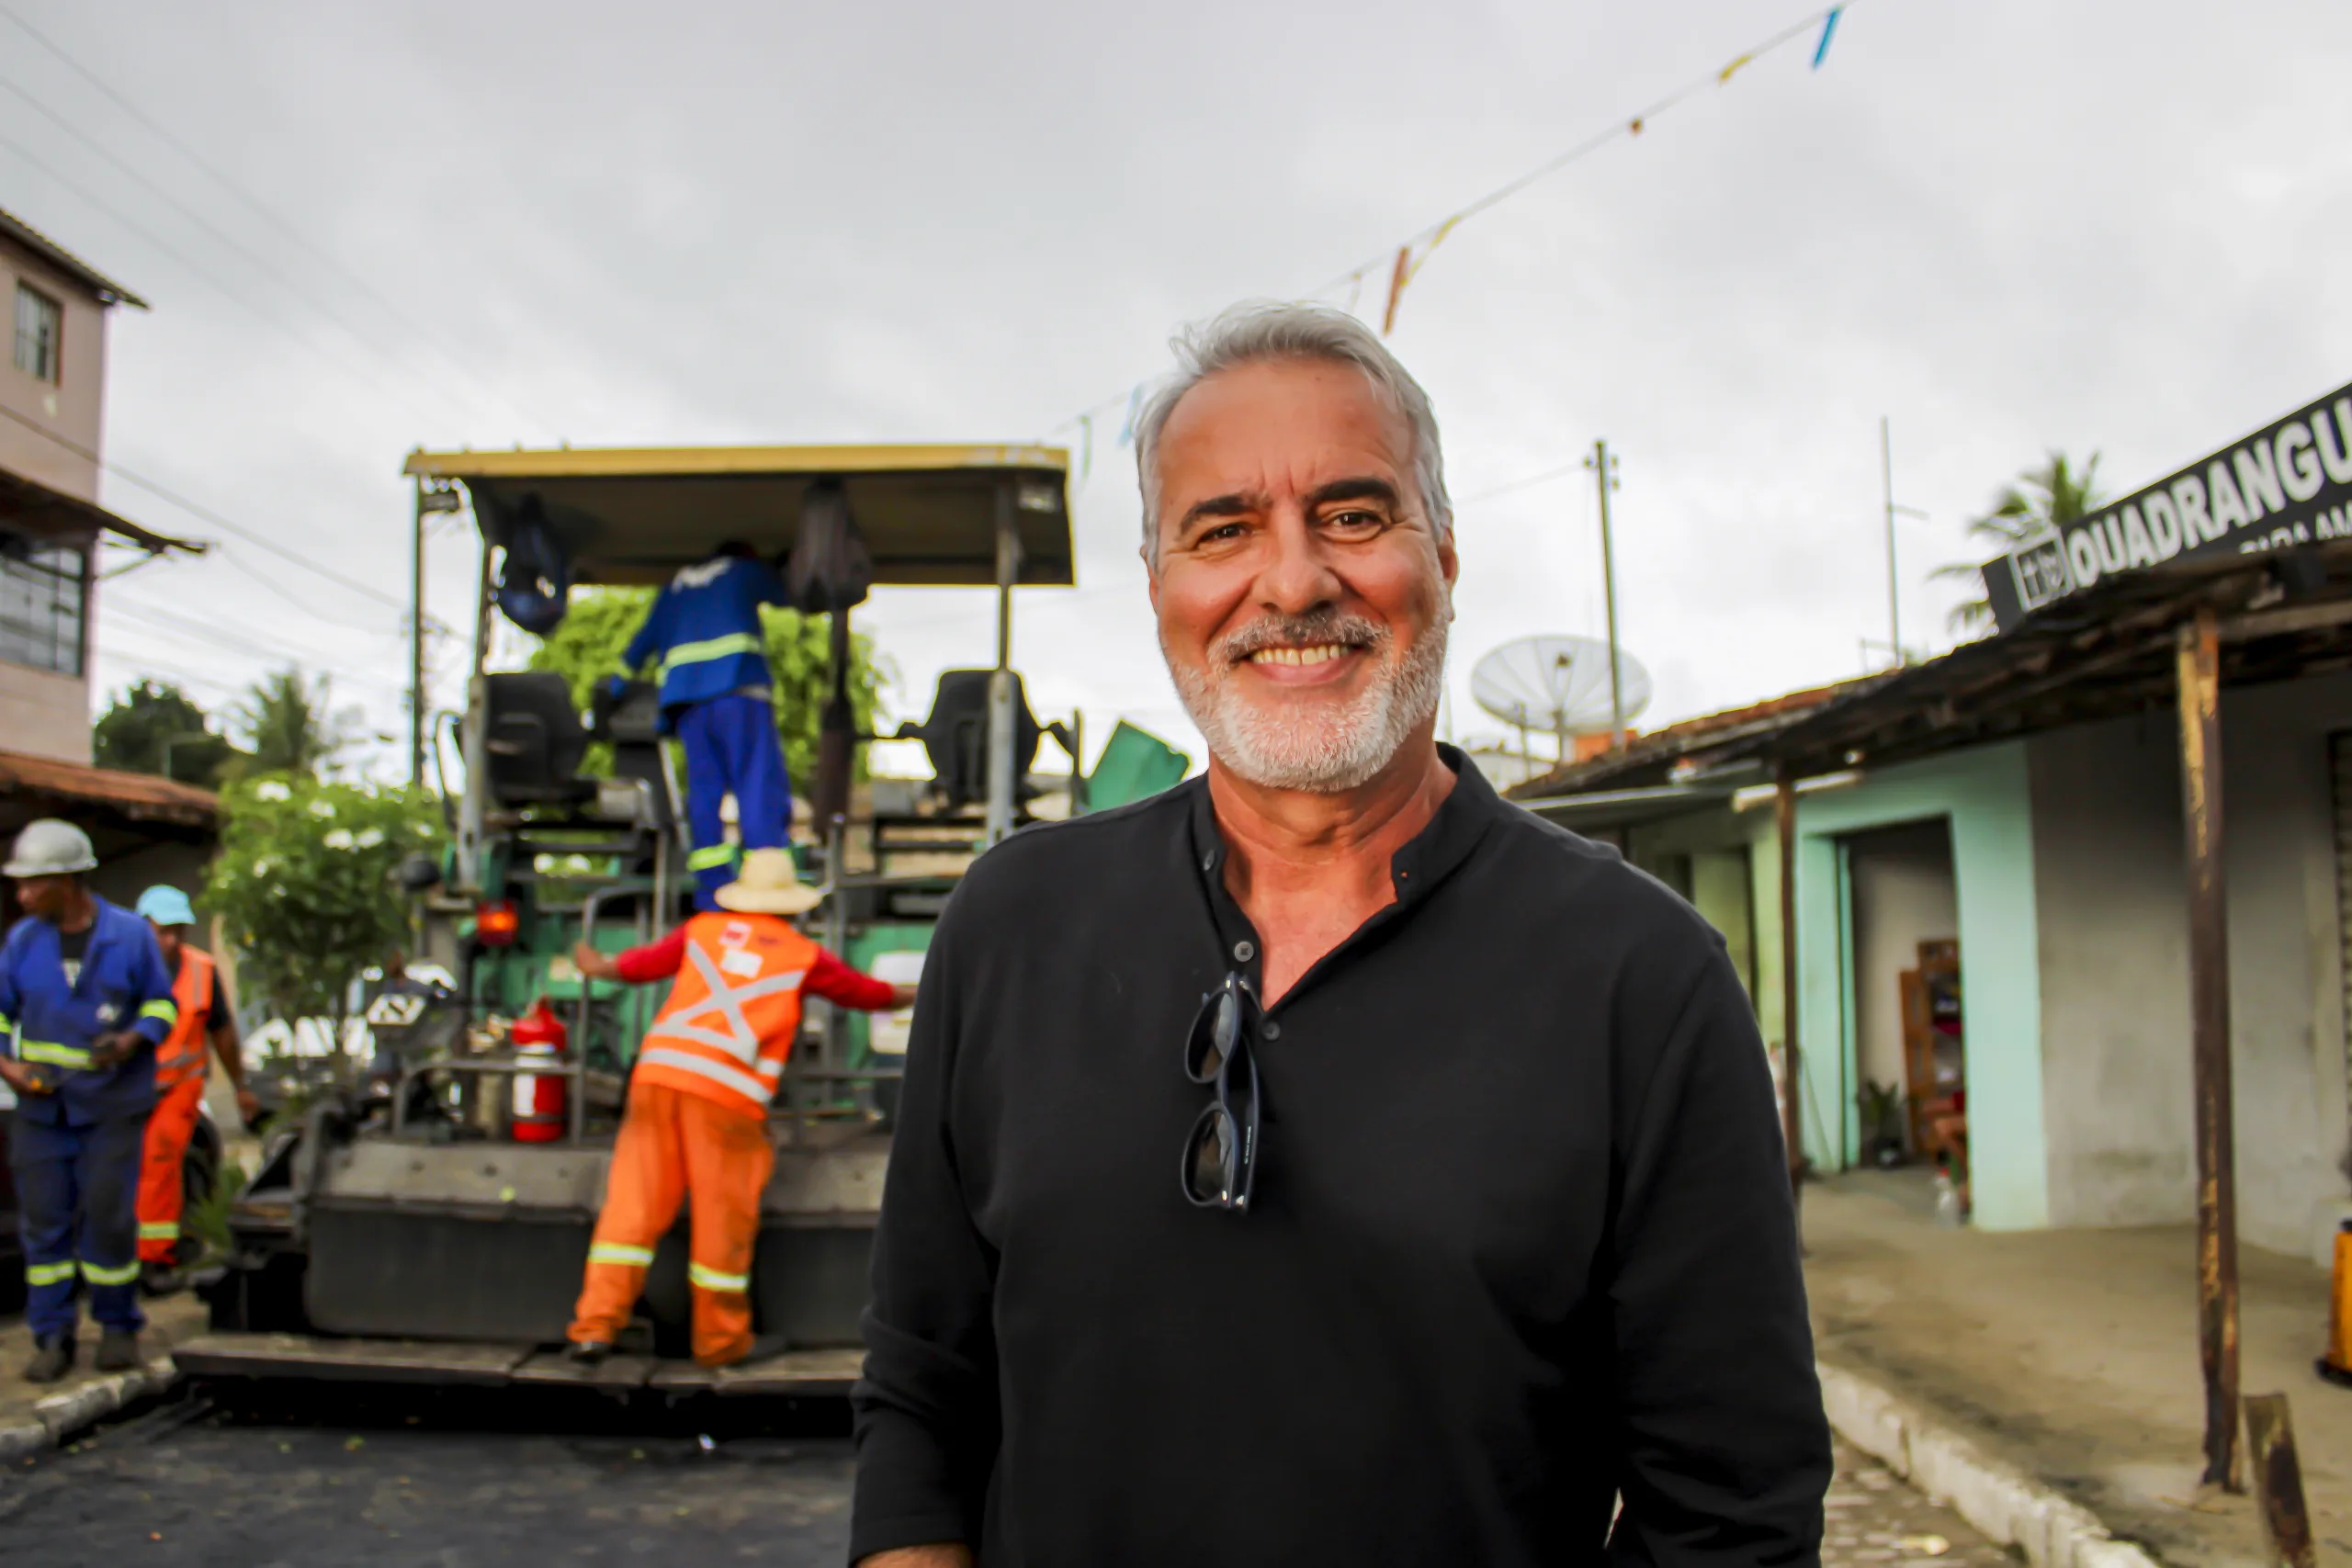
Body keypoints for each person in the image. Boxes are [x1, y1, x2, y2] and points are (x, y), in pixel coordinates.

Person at [849, 304, 1830, 1567]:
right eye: (1225, 528)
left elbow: (1733, 1510)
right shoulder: (1011, 925)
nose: (1296, 579)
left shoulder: (1641, 978)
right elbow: (923, 1394)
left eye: (1355, 516)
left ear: (1447, 556)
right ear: (1160, 587)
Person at [565, 848, 914, 1368]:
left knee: (633, 1206)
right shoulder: (802, 954)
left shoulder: (702, 930)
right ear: (794, 907)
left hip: (657, 1077)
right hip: (725, 1095)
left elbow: (636, 967)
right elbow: (866, 994)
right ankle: (721, 1342)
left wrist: (597, 963)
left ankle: (595, 1327)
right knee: (722, 1214)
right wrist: (919, 990)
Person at [0, 820, 179, 1382]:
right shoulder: (21, 942)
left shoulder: (129, 936)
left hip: (110, 1107)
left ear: (69, 881)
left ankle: (118, 1326)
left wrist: (130, 1040)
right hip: (41, 1110)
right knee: (45, 1226)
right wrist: (10, 1067)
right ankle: (52, 1336)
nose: (22, 895)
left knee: (107, 1219)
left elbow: (162, 1006)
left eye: (34, 884)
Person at [618, 539, 795, 908]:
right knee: (756, 781)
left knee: (704, 791)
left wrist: (616, 685)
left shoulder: (674, 588)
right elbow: (787, 594)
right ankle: (765, 886)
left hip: (686, 703)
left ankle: (712, 889)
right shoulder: (744, 571)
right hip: (739, 692)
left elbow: (640, 644)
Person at [131, 885, 259, 1289]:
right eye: (161, 929)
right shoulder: (116, 968)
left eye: (177, 930)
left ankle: (154, 1259)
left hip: (178, 1087)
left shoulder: (201, 970)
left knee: (160, 1162)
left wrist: (240, 1085)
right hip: (126, 1088)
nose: (170, 939)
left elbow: (222, 1033)